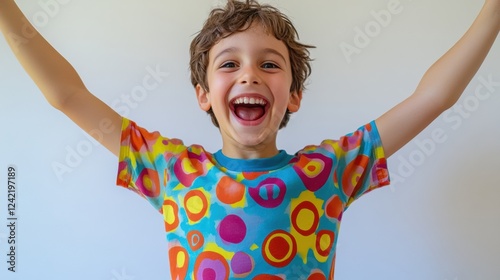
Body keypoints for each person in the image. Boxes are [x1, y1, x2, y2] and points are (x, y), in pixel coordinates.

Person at [1, 0, 498, 279]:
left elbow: (435, 98)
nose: (249, 76)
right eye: (229, 63)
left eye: (269, 63)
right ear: (204, 95)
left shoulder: (327, 170)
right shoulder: (172, 169)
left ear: (294, 96)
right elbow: (67, 96)